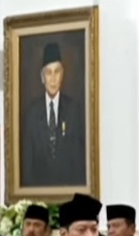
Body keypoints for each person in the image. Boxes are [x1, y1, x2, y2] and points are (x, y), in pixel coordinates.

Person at [20, 42, 87, 188]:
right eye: (48, 73)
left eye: (57, 72)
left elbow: (79, 161)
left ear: (62, 75)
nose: (53, 78)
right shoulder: (31, 114)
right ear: (42, 77)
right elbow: (27, 165)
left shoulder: (73, 110)